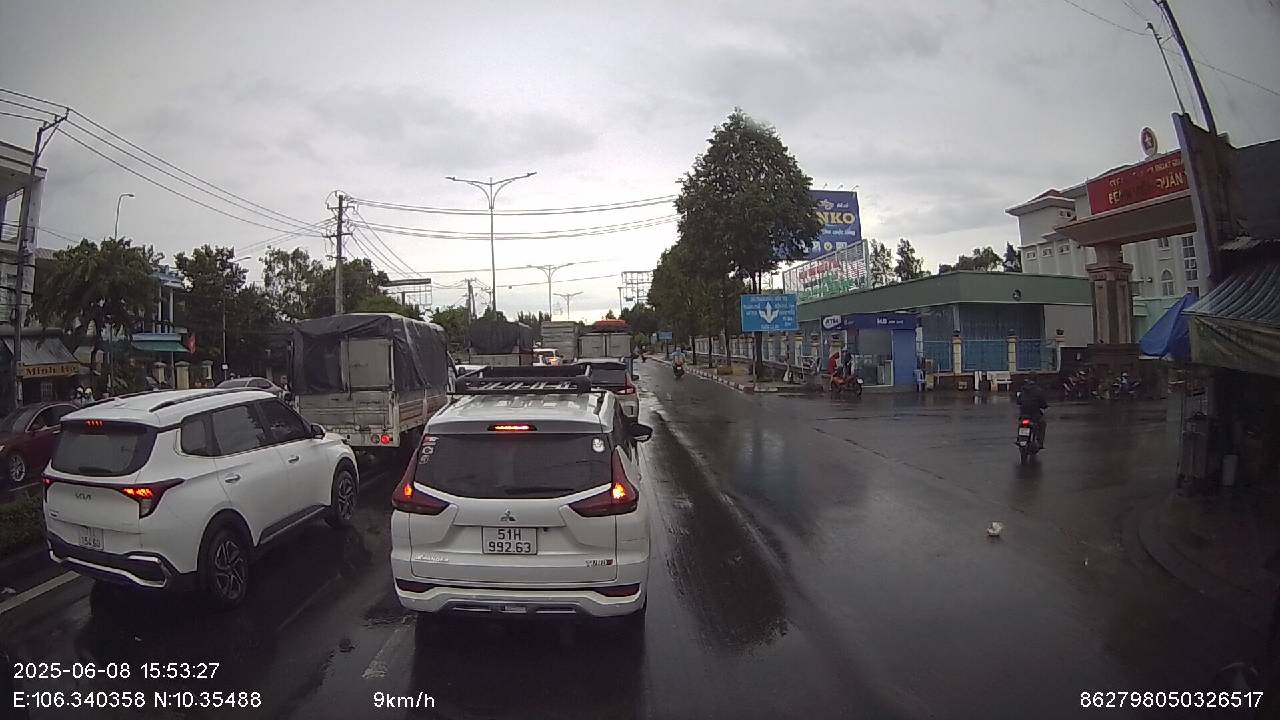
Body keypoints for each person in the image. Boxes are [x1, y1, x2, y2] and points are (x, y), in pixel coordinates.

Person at [1017, 378, 1049, 448]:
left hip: (1023, 414)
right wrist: (1044, 406)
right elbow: (1043, 403)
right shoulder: (1038, 390)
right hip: (1034, 414)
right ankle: (1040, 442)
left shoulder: (1023, 389)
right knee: (1042, 424)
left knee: (1021, 423)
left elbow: (1018, 401)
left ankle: (1019, 439)